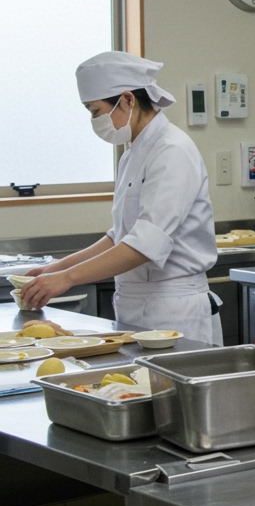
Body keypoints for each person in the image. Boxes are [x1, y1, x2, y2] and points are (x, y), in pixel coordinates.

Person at [21, 52, 220, 344]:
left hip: (175, 309)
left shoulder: (172, 150)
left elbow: (145, 244)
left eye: (95, 111)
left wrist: (67, 279)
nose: (94, 120)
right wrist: (56, 268)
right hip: (137, 306)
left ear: (128, 100)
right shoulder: (133, 153)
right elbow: (121, 236)